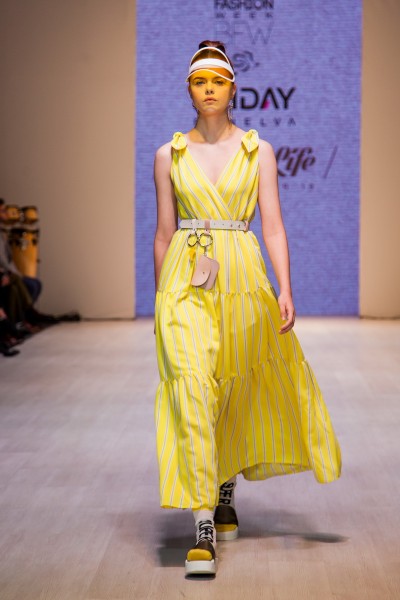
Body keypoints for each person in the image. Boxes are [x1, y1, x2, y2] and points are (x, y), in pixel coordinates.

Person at [153, 40, 341, 577]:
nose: (209, 89)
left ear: (233, 88)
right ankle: (203, 524)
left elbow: (273, 225)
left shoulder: (260, 151)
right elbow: (163, 232)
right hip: (185, 279)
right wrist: (161, 299)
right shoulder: (168, 155)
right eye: (199, 81)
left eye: (217, 80)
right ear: (189, 89)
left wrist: (286, 287)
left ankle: (224, 487)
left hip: (242, 273)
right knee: (192, 388)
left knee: (232, 386)